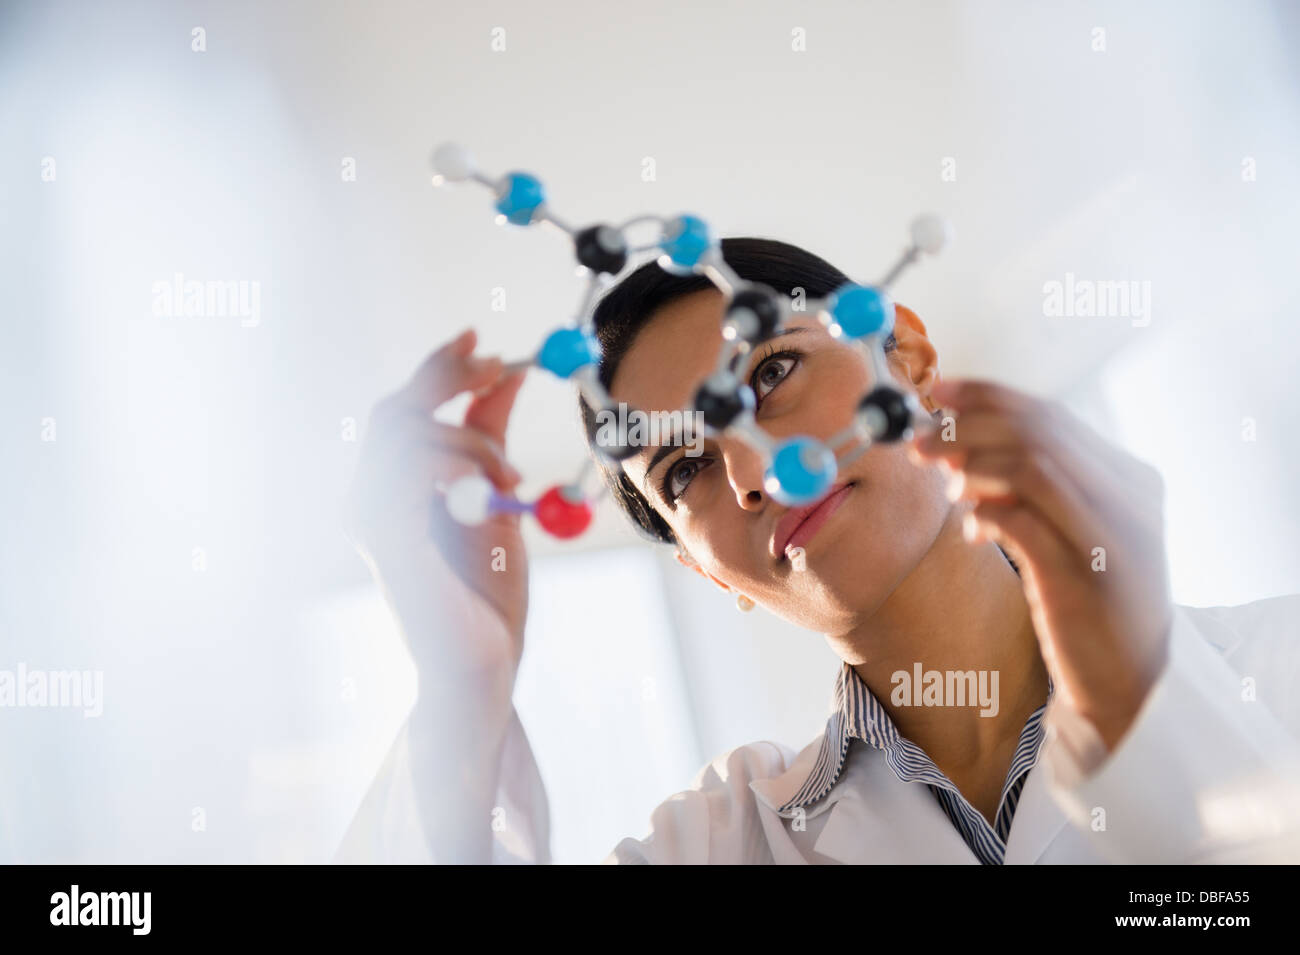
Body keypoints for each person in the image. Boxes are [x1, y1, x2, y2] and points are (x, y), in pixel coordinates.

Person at [335, 238, 1300, 864]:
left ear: (908, 360)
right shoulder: (723, 845)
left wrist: (1144, 707)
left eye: (775, 370)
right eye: (684, 473)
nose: (755, 471)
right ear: (705, 568)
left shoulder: (1274, 671)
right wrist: (463, 693)